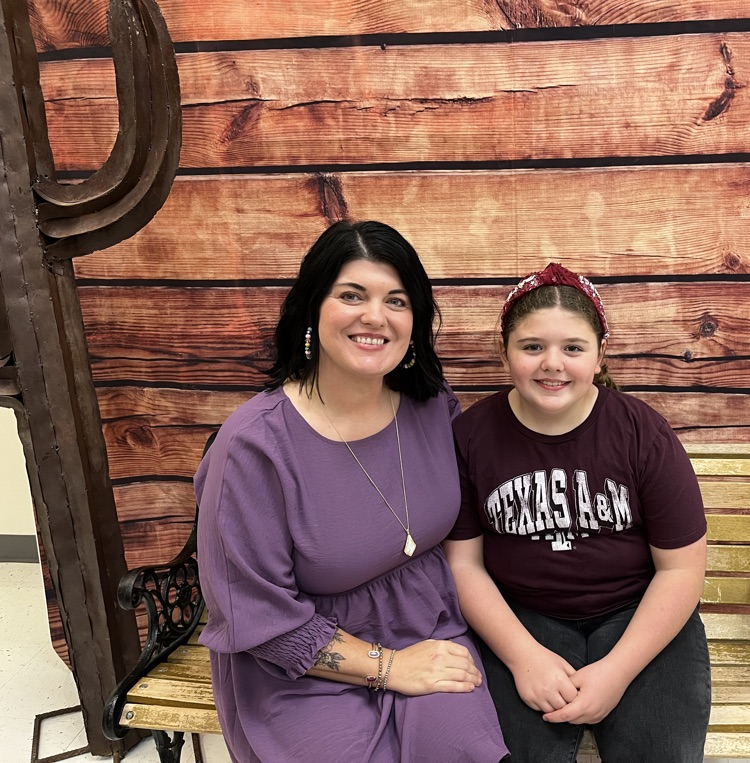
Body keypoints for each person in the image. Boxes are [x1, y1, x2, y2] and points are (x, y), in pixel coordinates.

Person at [195, 220, 508, 762]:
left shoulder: (432, 408)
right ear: (312, 309)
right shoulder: (253, 447)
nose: (375, 316)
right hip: (302, 665)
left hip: (430, 632)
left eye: (397, 300)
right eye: (352, 295)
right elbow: (260, 621)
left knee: (464, 750)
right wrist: (391, 667)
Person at [444, 262, 710, 763]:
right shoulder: (471, 437)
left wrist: (617, 672)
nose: (553, 364)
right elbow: (463, 564)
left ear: (599, 353)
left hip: (638, 612)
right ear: (505, 352)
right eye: (532, 347)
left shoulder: (640, 432)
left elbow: (681, 570)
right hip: (521, 615)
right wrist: (523, 658)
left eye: (573, 348)